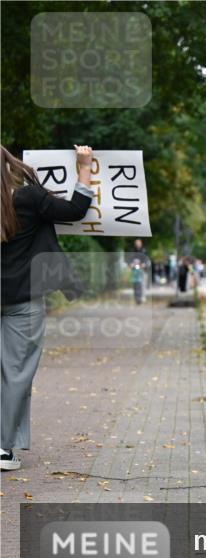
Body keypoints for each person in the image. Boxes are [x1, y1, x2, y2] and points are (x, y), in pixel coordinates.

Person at [1, 144, 95, 471]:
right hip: (22, 300)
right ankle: (4, 450)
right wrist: (84, 166)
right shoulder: (26, 198)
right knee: (15, 374)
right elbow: (74, 210)